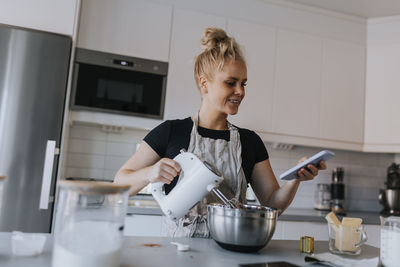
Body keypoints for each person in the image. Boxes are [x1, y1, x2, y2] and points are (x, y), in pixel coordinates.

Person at [114, 27, 326, 238]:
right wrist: (150, 173)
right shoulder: (170, 132)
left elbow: (272, 204)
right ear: (204, 82)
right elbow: (119, 184)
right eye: (230, 83)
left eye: (243, 84)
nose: (240, 91)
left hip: (233, 251)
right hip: (179, 256)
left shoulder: (250, 142)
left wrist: (295, 179)